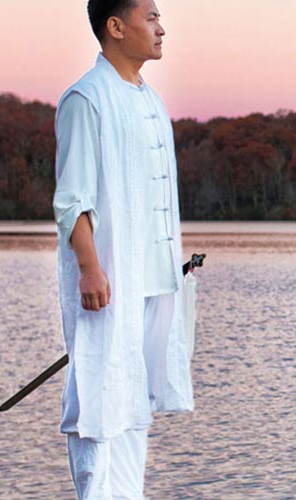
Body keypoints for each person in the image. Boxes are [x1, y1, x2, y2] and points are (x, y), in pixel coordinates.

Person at [52, 0, 188, 498]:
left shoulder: (150, 100)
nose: (161, 28)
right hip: (108, 282)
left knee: (135, 405)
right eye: (150, 17)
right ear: (115, 26)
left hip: (153, 281)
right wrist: (89, 268)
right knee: (99, 401)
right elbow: (72, 200)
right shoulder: (86, 99)